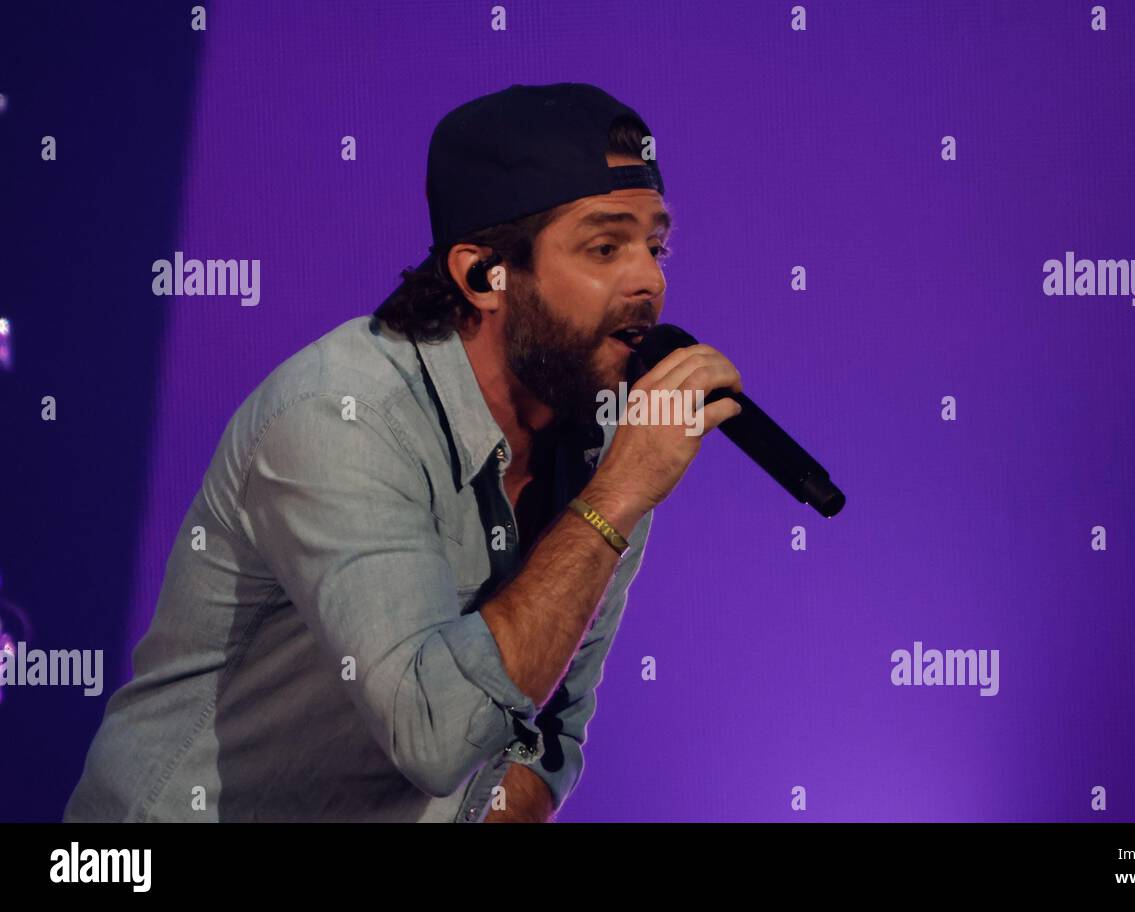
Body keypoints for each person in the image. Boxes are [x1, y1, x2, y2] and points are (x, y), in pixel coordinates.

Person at [63, 82, 742, 822]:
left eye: (656, 245)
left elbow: (545, 733)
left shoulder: (609, 438)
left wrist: (614, 488)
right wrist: (613, 497)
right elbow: (438, 735)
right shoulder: (341, 416)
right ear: (483, 275)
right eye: (605, 247)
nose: (649, 278)